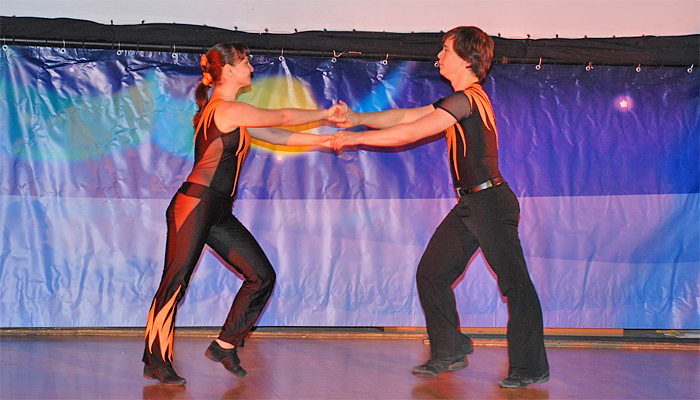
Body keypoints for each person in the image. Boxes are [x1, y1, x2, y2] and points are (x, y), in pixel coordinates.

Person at [333, 26, 549, 388]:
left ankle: (531, 367)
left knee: (515, 285)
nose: (439, 56)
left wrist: (355, 139)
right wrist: (357, 119)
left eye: (445, 50)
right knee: (432, 273)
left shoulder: (468, 99)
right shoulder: (460, 100)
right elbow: (407, 117)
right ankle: (450, 349)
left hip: (490, 204)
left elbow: (413, 131)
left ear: (466, 58)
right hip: (473, 204)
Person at [142, 41, 343, 385]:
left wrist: (323, 140)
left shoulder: (233, 113)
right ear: (229, 70)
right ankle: (156, 361)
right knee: (175, 282)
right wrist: (325, 115)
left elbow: (275, 133)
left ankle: (225, 344)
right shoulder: (225, 109)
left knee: (261, 276)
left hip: (217, 211)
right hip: (195, 204)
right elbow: (282, 117)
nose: (251, 67)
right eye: (246, 62)